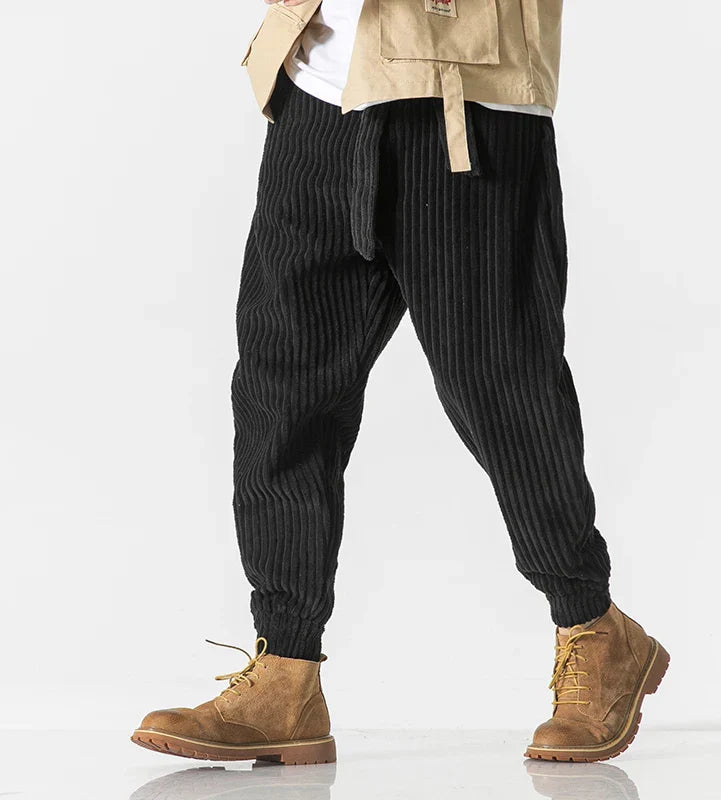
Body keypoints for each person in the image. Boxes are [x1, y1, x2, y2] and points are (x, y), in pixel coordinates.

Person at [131, 0, 669, 765]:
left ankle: (594, 626)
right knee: (282, 391)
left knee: (501, 386)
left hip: (465, 99)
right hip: (317, 95)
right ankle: (285, 674)